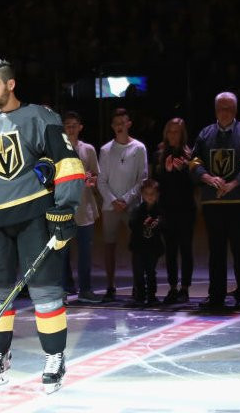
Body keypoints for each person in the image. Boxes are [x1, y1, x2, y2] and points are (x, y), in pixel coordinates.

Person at [0, 59, 85, 394]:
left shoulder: (40, 116)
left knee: (46, 290)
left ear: (10, 85)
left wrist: (64, 209)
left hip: (33, 215)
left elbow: (69, 163)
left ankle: (54, 358)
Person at [189, 92, 240, 310]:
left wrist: (233, 183)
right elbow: (193, 162)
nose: (225, 112)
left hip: (239, 202)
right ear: (215, 110)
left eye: (229, 108)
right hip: (213, 204)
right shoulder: (205, 133)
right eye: (221, 107)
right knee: (216, 252)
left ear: (236, 110)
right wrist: (208, 178)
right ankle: (216, 295)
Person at [97, 107, 149, 302]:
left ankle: (138, 285)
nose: (119, 126)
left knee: (136, 246)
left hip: (132, 206)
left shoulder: (139, 148)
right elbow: (101, 180)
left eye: (123, 123)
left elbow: (142, 179)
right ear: (112, 126)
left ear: (129, 124)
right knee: (109, 246)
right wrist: (113, 200)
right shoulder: (105, 150)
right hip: (111, 207)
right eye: (116, 123)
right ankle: (111, 285)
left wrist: (126, 199)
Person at [151, 117, 196, 304]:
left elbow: (195, 183)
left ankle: (185, 288)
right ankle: (172, 287)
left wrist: (185, 169)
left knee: (186, 249)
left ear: (182, 134)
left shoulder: (190, 154)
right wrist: (165, 171)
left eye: (176, 132)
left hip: (186, 210)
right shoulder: (159, 154)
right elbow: (154, 184)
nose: (172, 135)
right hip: (167, 210)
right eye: (169, 131)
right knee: (170, 250)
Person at [61, 111, 102, 303]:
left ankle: (85, 289)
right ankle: (64, 289)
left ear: (80, 127)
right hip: (63, 209)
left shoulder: (89, 149)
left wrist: (91, 180)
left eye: (74, 125)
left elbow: (95, 175)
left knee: (85, 253)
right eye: (67, 125)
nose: (70, 128)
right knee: (61, 254)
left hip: (84, 209)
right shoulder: (56, 148)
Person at [126, 179, 165, 307]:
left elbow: (165, 225)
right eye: (147, 193)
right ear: (142, 194)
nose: (150, 196)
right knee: (138, 271)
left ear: (157, 194)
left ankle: (152, 296)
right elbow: (132, 224)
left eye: (152, 193)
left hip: (153, 247)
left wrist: (158, 223)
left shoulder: (160, 211)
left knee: (151, 271)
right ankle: (140, 295)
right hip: (138, 247)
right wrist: (142, 222)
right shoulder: (137, 210)